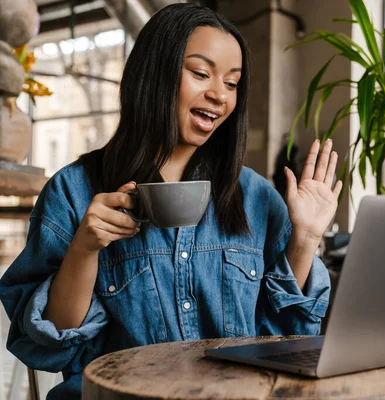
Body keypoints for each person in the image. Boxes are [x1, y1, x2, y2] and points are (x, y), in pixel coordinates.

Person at [0, 4, 341, 399]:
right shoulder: (74, 191)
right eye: (200, 73)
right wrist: (84, 249)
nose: (219, 95)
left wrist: (305, 240)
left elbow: (282, 340)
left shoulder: (255, 197)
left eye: (232, 83)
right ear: (155, 73)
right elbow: (52, 343)